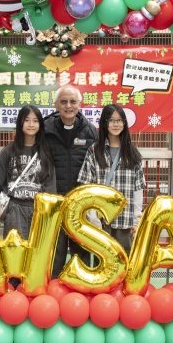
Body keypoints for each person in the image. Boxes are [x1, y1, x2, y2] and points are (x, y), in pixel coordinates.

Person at [0, 105, 56, 287]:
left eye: (35, 121)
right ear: (20, 123)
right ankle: (14, 290)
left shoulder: (44, 153)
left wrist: (47, 212)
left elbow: (50, 186)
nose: (31, 124)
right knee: (14, 254)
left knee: (36, 255)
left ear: (40, 125)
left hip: (37, 210)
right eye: (27, 120)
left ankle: (32, 290)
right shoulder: (8, 151)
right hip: (15, 209)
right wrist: (0, 207)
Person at [77, 104, 146, 256]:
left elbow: (138, 189)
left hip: (125, 220)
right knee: (102, 260)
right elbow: (86, 188)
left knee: (124, 260)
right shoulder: (94, 151)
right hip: (101, 221)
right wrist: (92, 218)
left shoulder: (132, 152)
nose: (116, 124)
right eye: (111, 120)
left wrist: (136, 220)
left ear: (124, 123)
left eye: (119, 120)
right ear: (104, 123)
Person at [44, 85, 98, 278]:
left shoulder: (90, 132)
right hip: (55, 203)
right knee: (54, 251)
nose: (68, 106)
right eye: (64, 102)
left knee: (80, 250)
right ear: (56, 105)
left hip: (80, 205)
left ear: (79, 104)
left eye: (73, 101)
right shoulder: (45, 130)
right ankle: (53, 289)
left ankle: (79, 288)